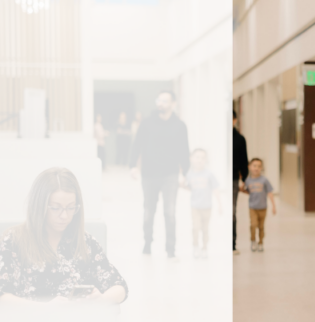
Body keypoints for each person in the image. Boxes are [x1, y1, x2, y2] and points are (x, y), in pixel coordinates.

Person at [0, 168, 128, 305]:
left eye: (71, 208)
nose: (64, 216)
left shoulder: (85, 242)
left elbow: (120, 287)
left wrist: (100, 300)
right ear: (39, 206)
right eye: (55, 208)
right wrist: (43, 309)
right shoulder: (14, 240)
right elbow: (3, 295)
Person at [129, 91, 190, 259]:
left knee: (169, 212)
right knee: (149, 211)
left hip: (170, 174)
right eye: (159, 100)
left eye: (165, 100)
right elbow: (137, 145)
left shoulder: (179, 125)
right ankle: (147, 243)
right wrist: (133, 166)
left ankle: (170, 249)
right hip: (149, 174)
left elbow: (184, 150)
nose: (160, 103)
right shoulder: (147, 123)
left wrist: (186, 173)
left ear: (173, 104)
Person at [182, 149, 221, 258]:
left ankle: (204, 247)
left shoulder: (209, 174)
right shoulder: (189, 174)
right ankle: (195, 246)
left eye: (203, 157)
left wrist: (220, 204)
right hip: (195, 206)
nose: (200, 160)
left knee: (205, 229)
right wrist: (181, 185)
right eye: (197, 157)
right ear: (191, 159)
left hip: (207, 207)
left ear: (206, 160)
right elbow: (189, 187)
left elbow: (215, 189)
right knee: (196, 227)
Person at [241, 158, 275, 252]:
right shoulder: (247, 180)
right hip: (252, 207)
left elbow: (270, 192)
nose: (256, 168)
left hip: (263, 207)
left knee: (261, 226)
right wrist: (241, 189)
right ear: (249, 167)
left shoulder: (264, 180)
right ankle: (253, 241)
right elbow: (248, 191)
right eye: (254, 166)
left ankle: (260, 242)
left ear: (261, 168)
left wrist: (273, 206)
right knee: (253, 225)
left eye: (259, 166)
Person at [232, 110, 249, 255]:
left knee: (231, 211)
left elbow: (244, 160)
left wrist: (245, 179)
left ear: (235, 120)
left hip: (232, 179)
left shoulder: (239, 139)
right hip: (215, 180)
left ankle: (232, 244)